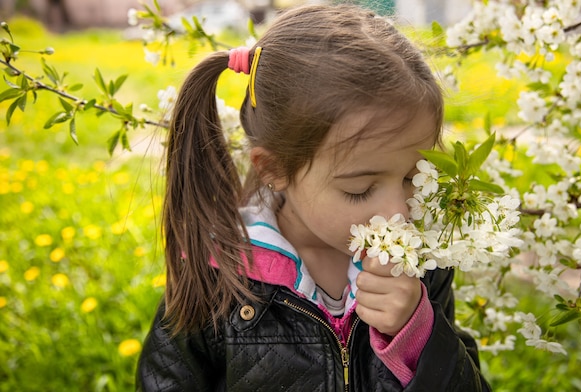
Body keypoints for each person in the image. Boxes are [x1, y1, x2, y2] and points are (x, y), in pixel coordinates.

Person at [136, 4, 491, 391]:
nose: (399, 212)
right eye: (359, 189)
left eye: (412, 178)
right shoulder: (219, 273)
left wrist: (416, 334)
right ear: (274, 170)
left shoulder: (423, 267)